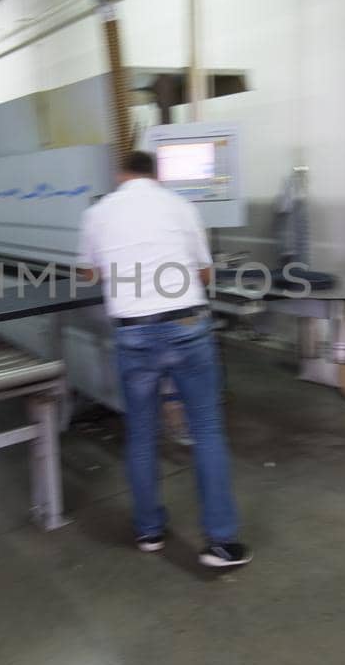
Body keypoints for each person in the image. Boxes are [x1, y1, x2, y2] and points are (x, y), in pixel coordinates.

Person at [77, 150, 250, 568]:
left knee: (141, 433)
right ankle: (221, 543)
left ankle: (150, 530)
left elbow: (88, 273)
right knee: (207, 430)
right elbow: (206, 274)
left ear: (121, 174)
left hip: (134, 333)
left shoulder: (98, 212)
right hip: (187, 326)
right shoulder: (181, 206)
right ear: (157, 175)